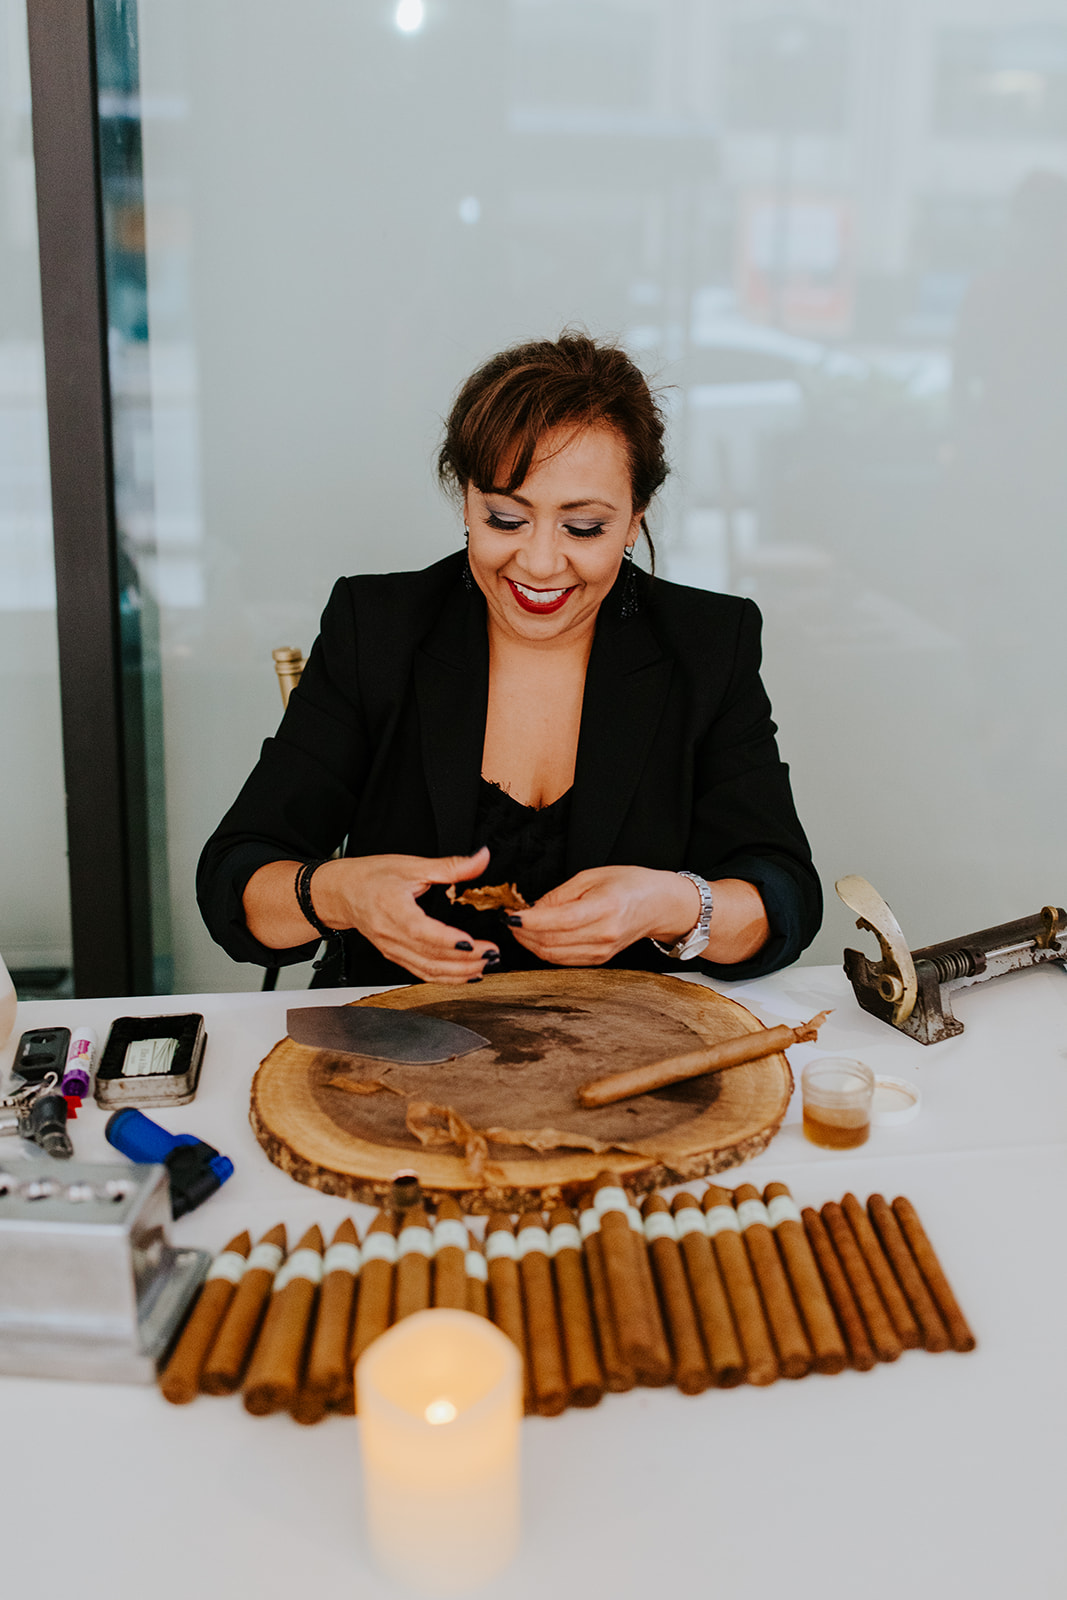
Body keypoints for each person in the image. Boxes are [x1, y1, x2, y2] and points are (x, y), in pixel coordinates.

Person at [197, 333, 821, 987]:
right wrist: (338, 895)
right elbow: (235, 878)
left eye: (584, 527)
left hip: (625, 1036)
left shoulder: (707, 642)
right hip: (394, 1032)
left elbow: (783, 896)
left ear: (635, 519)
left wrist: (674, 905)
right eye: (504, 518)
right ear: (467, 501)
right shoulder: (376, 628)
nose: (540, 563)